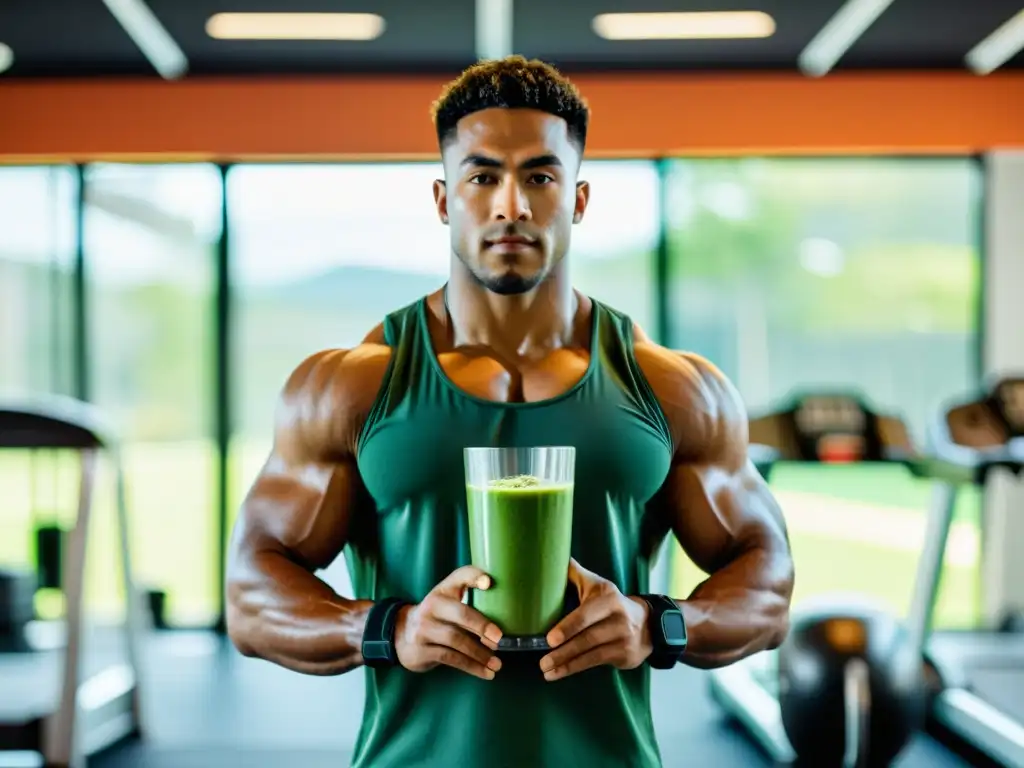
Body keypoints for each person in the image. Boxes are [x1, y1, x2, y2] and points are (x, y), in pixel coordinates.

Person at [226, 55, 795, 768]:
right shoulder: (348, 387)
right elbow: (250, 595)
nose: (511, 206)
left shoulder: (672, 387)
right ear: (444, 198)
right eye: (483, 175)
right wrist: (387, 629)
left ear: (579, 198)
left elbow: (767, 583)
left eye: (540, 176)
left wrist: (657, 624)